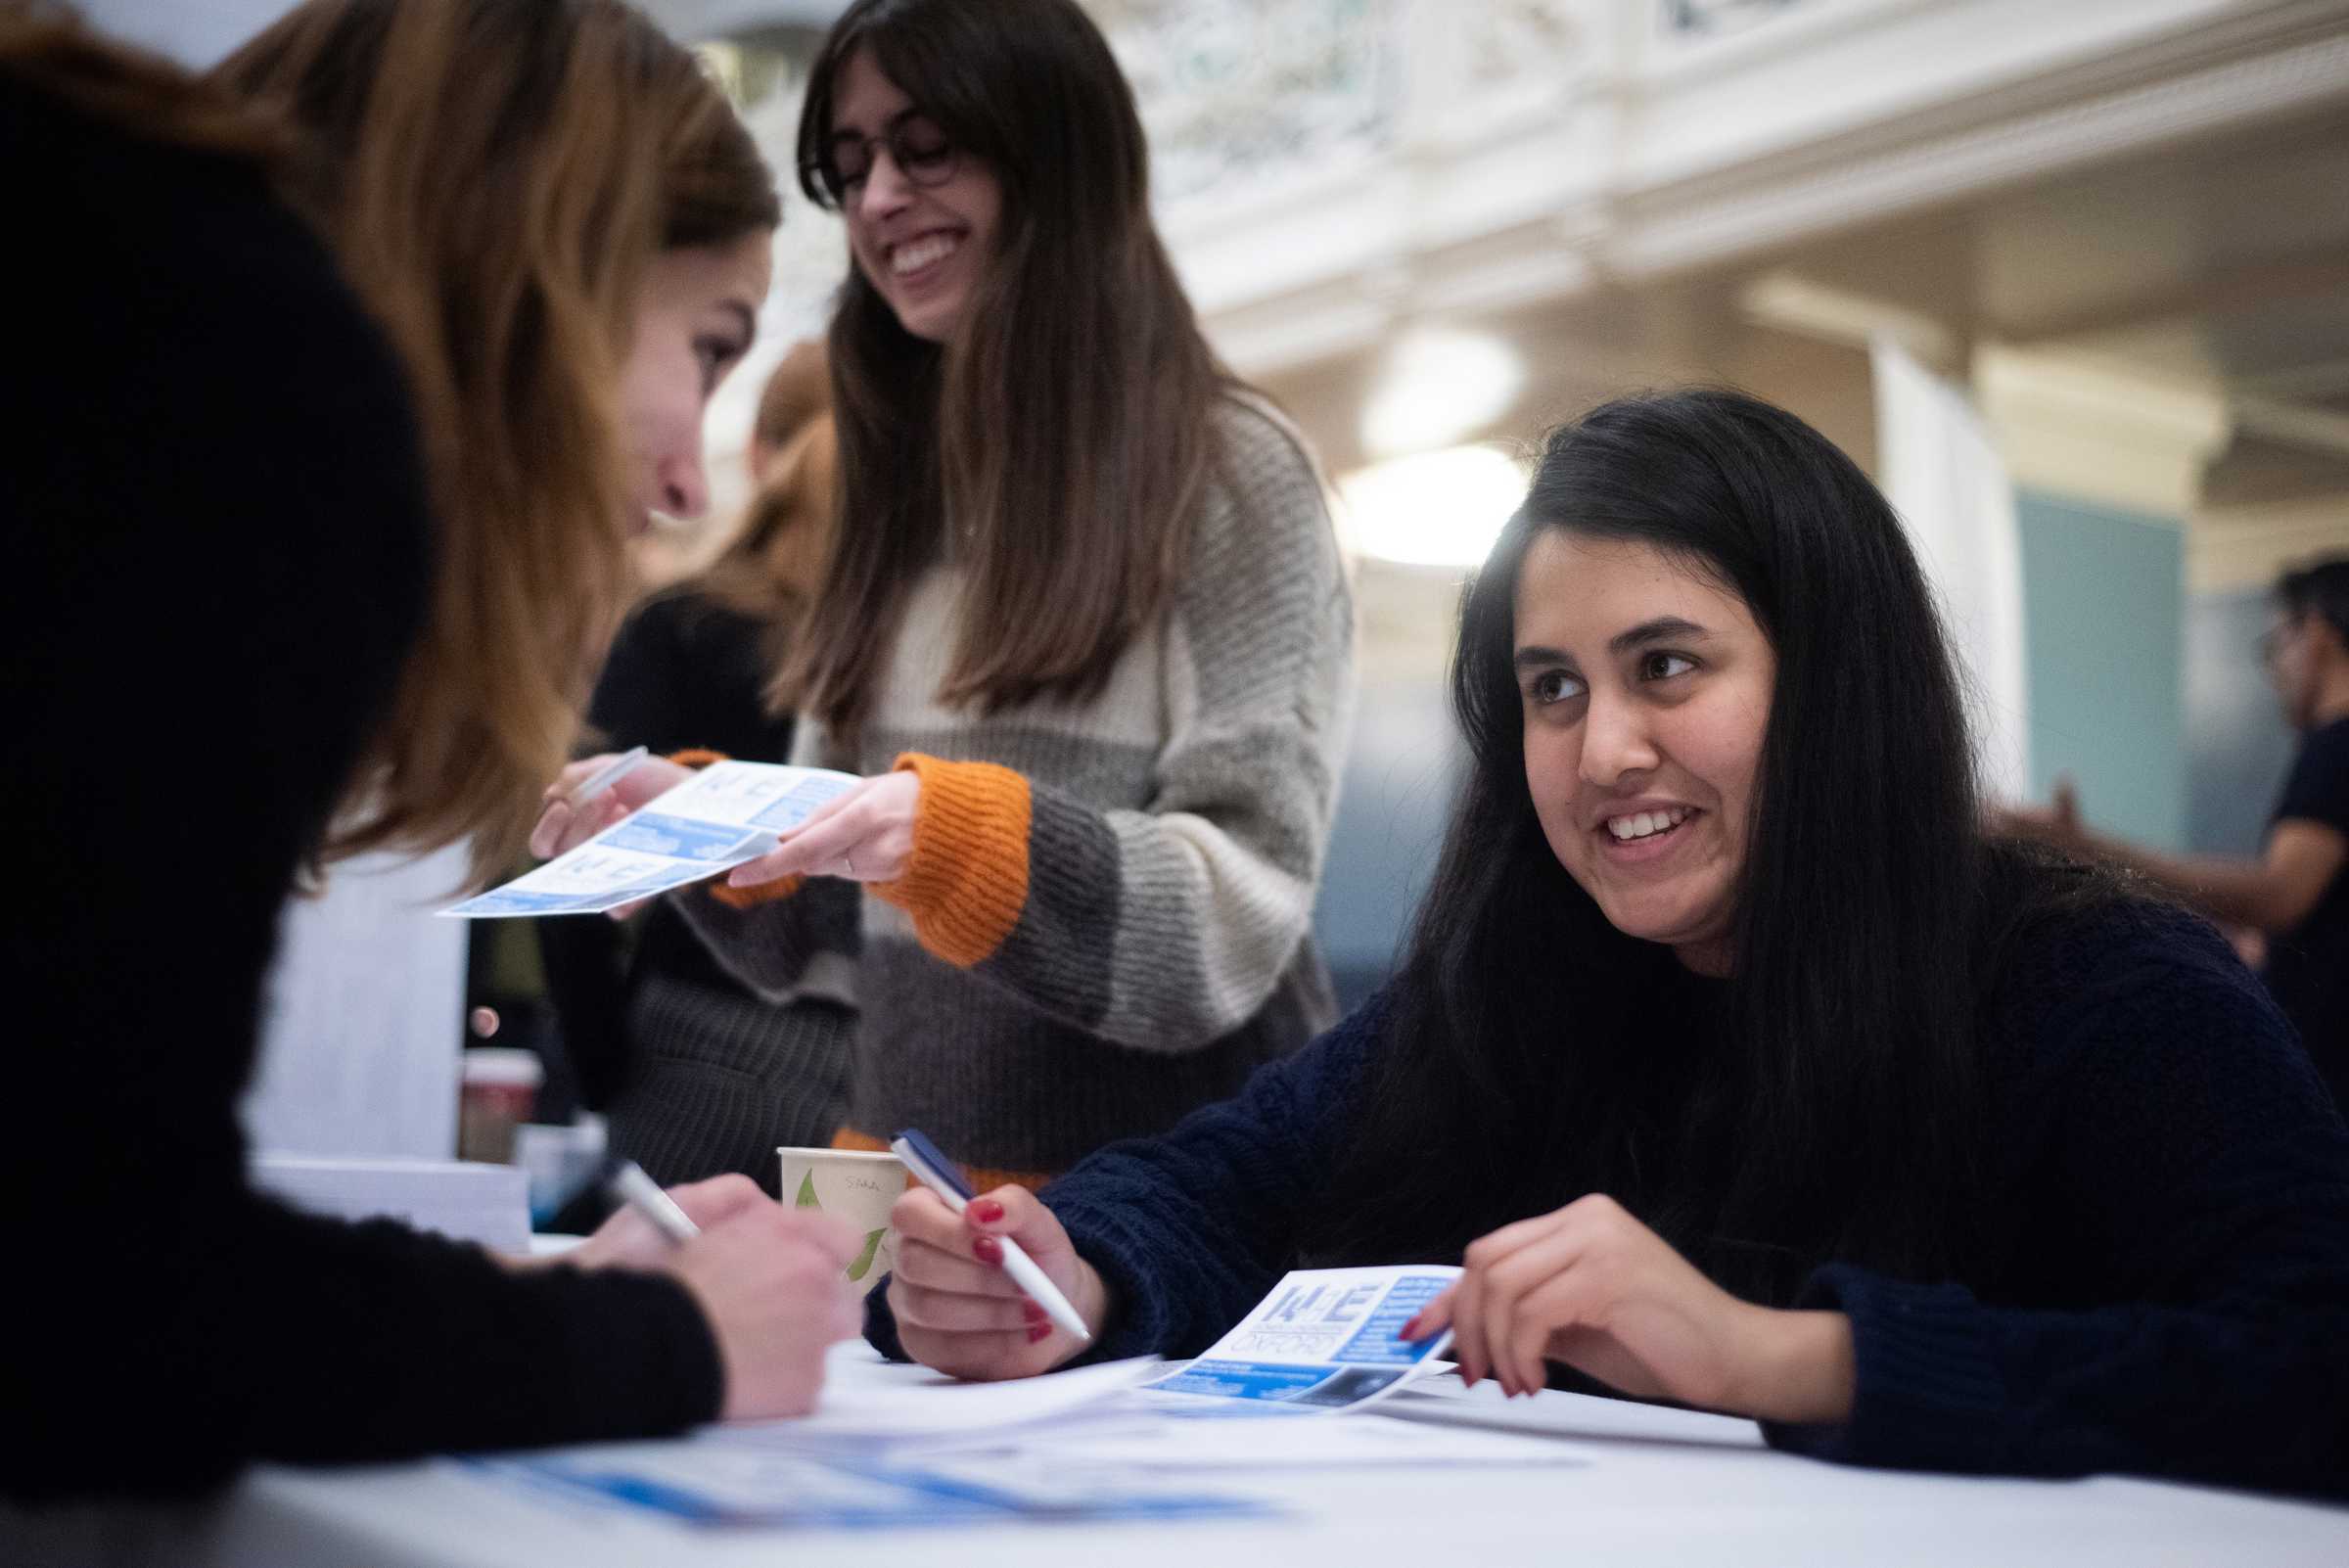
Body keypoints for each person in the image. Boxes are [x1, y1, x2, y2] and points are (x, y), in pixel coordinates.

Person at [870, 389, 2349, 1499]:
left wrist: (1773, 1354)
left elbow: (2311, 1361)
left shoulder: (2107, 988)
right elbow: (1226, 1178)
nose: (1604, 749)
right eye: (1554, 688)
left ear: (1836, 683)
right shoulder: (1511, 986)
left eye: (1667, 666)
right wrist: (1075, 1275)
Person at [3, 0, 857, 1505]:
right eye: (707, 349)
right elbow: (98, 1312)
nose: (680, 484)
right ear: (564, 255)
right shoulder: (246, 367)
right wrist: (659, 1337)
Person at [533, 0, 1355, 1189]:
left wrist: (961, 838)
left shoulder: (1231, 471)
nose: (875, 203)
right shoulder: (893, 489)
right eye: (850, 165)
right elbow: (838, 942)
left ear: (1057, 154)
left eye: (926, 149)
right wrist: (701, 825)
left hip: (1177, 1230)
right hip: (918, 1211)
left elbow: (1228, 928)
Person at [538, 343, 856, 1185]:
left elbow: (578, 858)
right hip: (882, 1093)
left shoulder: (679, 627)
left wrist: (602, 1066)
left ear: (756, 453)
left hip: (690, 1067)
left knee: (664, 1315)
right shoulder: (930, 656)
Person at [2001, 556, 2349, 1111]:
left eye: (2276, 644)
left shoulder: (2335, 747)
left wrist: (2085, 849)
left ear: (2315, 632)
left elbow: (2280, 894)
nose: (2276, 667)